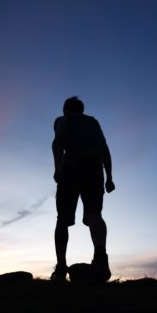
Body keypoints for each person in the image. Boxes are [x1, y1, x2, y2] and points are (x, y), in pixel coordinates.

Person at [51, 96, 115, 283]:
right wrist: (109, 177)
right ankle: (101, 261)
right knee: (95, 215)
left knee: (62, 220)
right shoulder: (92, 122)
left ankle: (61, 269)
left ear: (65, 109)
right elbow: (104, 149)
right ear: (81, 108)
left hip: (70, 168)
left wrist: (57, 168)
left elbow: (57, 142)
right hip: (94, 169)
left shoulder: (62, 120)